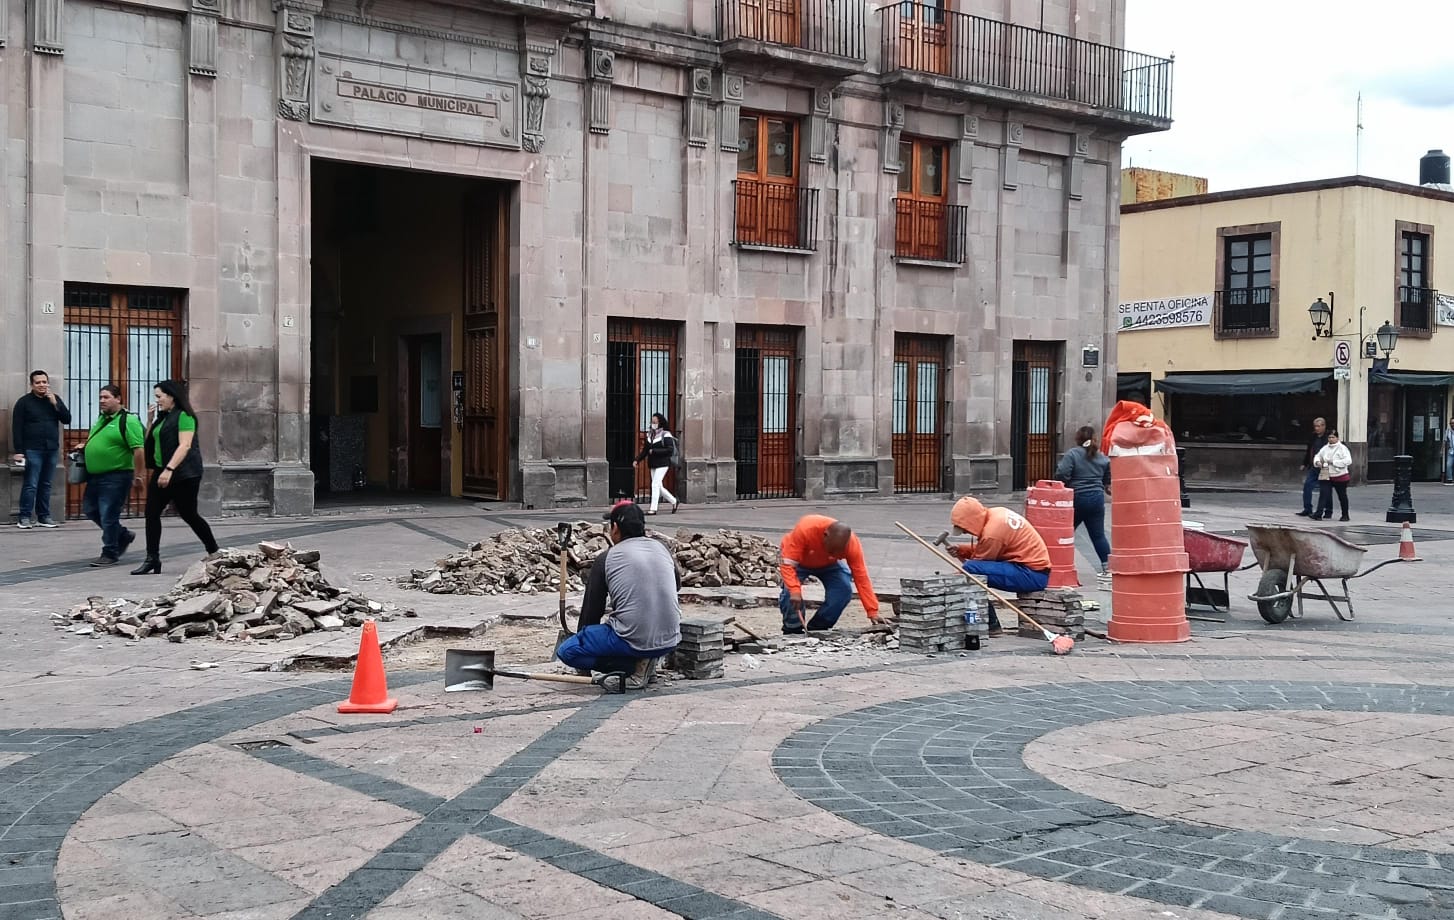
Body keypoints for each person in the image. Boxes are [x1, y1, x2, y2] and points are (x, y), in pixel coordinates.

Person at [555, 500, 681, 689]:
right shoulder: (662, 549)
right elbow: (676, 586)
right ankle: (648, 662)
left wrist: (584, 656)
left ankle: (635, 667)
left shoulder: (607, 557)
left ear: (615, 528)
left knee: (568, 651)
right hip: (670, 639)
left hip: (635, 639)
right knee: (627, 633)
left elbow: (591, 612)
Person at [132, 380, 219, 574]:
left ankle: (214, 551)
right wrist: (149, 420)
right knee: (151, 513)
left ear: (171, 396)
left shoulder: (185, 416)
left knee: (189, 514)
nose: (157, 400)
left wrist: (169, 469)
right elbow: (150, 441)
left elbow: (185, 445)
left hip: (183, 474)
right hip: (162, 471)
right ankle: (152, 558)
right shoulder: (163, 417)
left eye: (159, 396)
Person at [947, 496, 1052, 635]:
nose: (966, 532)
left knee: (970, 571)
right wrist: (962, 550)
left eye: (965, 529)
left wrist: (953, 579)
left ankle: (991, 625)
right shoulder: (997, 513)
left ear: (971, 521)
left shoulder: (992, 534)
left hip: (1031, 574)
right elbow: (987, 552)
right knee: (971, 569)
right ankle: (991, 624)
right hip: (1030, 569)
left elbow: (979, 564)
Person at [778, 515, 882, 634]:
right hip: (799, 562)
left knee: (843, 591)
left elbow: (861, 577)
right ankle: (793, 628)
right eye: (833, 551)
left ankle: (818, 628)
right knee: (789, 595)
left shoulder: (852, 544)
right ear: (825, 535)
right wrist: (794, 590)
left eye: (840, 553)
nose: (836, 555)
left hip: (830, 565)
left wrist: (872, 611)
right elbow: (788, 564)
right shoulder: (806, 529)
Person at [78, 385, 145, 567]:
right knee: (90, 510)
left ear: (118, 399)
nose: (102, 400)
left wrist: (139, 475)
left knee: (108, 514)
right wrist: (87, 446)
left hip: (116, 476)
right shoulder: (102, 419)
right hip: (95, 476)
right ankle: (122, 535)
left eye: (106, 397)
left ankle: (110, 552)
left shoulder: (128, 420)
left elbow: (138, 449)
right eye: (100, 397)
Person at [11, 370, 71, 529]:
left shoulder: (54, 399)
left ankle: (43, 517)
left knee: (46, 484)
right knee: (31, 484)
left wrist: (55, 404)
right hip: (32, 449)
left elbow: (67, 419)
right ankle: (24, 517)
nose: (42, 385)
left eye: (44, 382)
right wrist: (18, 451)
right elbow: (16, 428)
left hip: (51, 448)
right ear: (32, 384)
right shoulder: (23, 402)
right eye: (38, 382)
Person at [1055, 425, 1112, 589]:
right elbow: (1107, 480)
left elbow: (1062, 473)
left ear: (1078, 438)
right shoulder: (1103, 458)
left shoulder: (1073, 454)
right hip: (1096, 499)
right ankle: (1107, 569)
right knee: (1098, 535)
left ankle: (1059, 564)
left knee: (1066, 533)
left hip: (1077, 498)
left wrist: (1066, 484)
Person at [632, 413, 679, 515]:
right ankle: (674, 501)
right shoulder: (650, 435)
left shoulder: (666, 434)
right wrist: (637, 460)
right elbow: (645, 451)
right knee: (658, 486)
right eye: (652, 422)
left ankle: (653, 508)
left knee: (654, 484)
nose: (653, 424)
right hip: (653, 463)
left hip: (663, 463)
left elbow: (669, 450)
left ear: (660, 422)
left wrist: (655, 451)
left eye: (655, 422)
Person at [1312, 429, 1353, 522]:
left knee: (1342, 496)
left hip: (1340, 475)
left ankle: (1345, 515)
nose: (1331, 439)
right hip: (1326, 474)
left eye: (1333, 437)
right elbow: (1318, 455)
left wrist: (1334, 462)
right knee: (1323, 494)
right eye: (1329, 437)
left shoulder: (1343, 448)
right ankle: (1318, 514)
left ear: (1337, 438)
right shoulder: (1325, 448)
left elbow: (1348, 461)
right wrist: (1317, 462)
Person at [1296, 417, 1329, 517]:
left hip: (1324, 467)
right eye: (1315, 426)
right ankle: (1307, 508)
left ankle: (1328, 511)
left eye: (1319, 426)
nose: (1317, 428)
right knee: (1307, 486)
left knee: (1325, 489)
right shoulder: (1313, 437)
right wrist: (1304, 463)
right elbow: (1309, 450)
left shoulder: (1328, 437)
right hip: (1313, 466)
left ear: (1324, 426)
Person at [1445, 418, 1454, 485]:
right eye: (1451, 423)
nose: (1452, 424)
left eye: (1453, 423)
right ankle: (1450, 479)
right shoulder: (1448, 431)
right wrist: (1442, 450)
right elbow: (1445, 441)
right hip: (1451, 451)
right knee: (1449, 465)